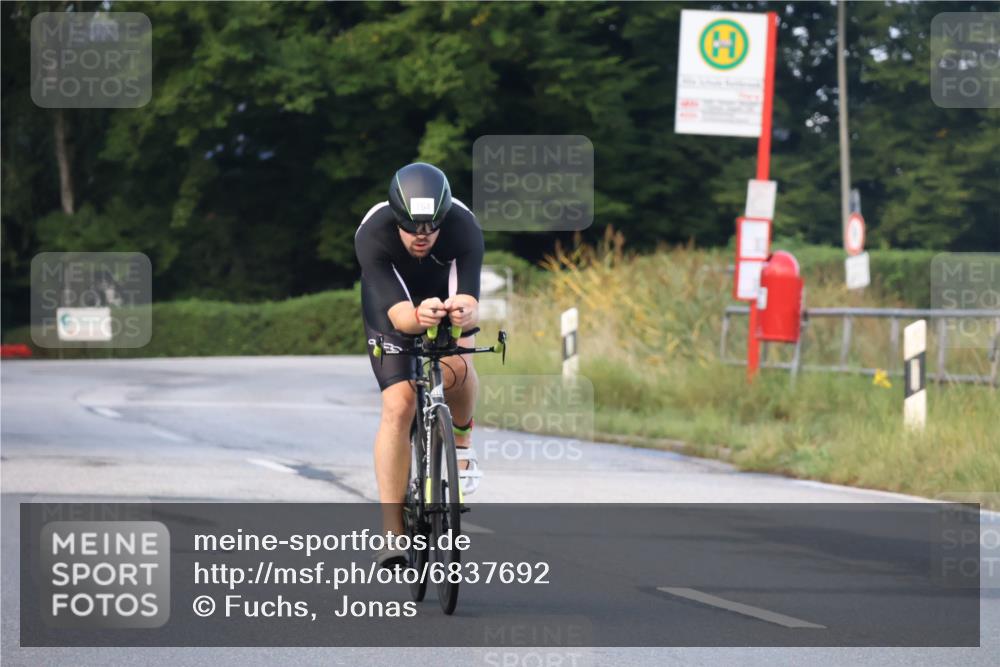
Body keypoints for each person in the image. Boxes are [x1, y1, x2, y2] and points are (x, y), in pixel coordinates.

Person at [354, 162, 484, 568]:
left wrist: (464, 313)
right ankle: (392, 533)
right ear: (397, 218)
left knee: (461, 364)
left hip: (443, 301)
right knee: (398, 404)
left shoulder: (464, 226)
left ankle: (461, 447)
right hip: (394, 309)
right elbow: (401, 318)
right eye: (412, 228)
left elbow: (473, 304)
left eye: (432, 228)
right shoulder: (373, 233)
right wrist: (419, 316)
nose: (422, 237)